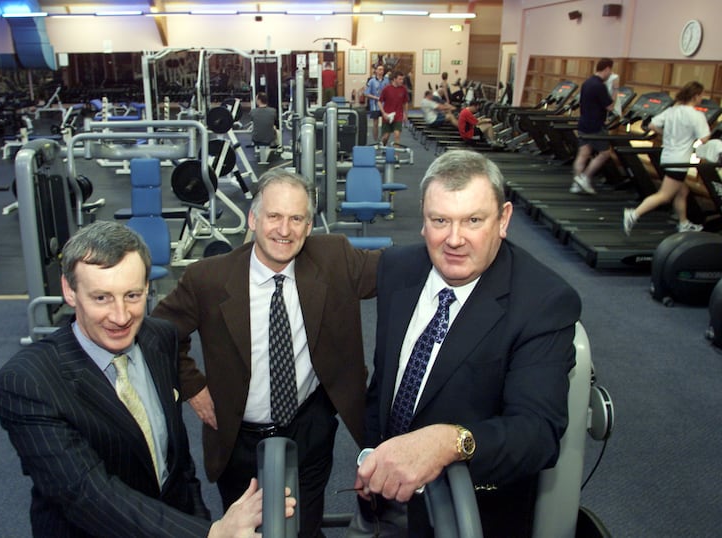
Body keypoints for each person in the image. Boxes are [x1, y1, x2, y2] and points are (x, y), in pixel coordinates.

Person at [0, 221, 295, 538]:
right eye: (102, 298)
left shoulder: (159, 338)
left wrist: (201, 523)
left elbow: (177, 466)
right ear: (69, 290)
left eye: (132, 295)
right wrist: (210, 535)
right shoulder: (27, 382)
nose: (121, 317)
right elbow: (87, 495)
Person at [347, 149, 581, 538]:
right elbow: (387, 382)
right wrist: (374, 457)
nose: (454, 239)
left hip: (466, 512)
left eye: (473, 220)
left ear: (503, 219)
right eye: (440, 220)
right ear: (423, 217)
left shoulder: (543, 302)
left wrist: (450, 441)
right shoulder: (397, 269)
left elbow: (537, 433)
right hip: (382, 494)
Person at [152, 169, 381, 538]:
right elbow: (157, 334)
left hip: (309, 426)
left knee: (302, 528)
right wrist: (192, 386)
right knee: (249, 531)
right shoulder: (208, 279)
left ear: (309, 227)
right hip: (238, 437)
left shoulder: (335, 257)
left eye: (296, 219)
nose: (284, 230)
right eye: (274, 216)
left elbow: (396, 270)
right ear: (254, 219)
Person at [624, 81, 711, 235]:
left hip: (667, 157)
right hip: (679, 161)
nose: (701, 98)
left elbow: (651, 125)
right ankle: (634, 214)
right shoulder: (696, 115)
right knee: (664, 195)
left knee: (682, 191)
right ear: (696, 96)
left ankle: (683, 223)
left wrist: (667, 135)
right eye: (701, 95)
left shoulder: (672, 111)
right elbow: (705, 138)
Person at [572, 58, 616, 195]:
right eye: (611, 70)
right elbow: (610, 106)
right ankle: (584, 177)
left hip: (584, 123)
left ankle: (576, 184)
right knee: (605, 153)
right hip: (596, 126)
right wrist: (616, 89)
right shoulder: (599, 85)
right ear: (607, 69)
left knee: (583, 154)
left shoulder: (587, 82)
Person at [378, 71, 409, 147]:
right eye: (400, 79)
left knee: (397, 135)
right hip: (387, 115)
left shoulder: (403, 89)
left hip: (398, 115)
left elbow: (405, 103)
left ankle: (396, 155)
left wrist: (405, 114)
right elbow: (379, 102)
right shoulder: (386, 89)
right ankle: (382, 147)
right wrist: (384, 113)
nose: (402, 81)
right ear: (394, 79)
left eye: (402, 79)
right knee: (386, 137)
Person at [364, 64, 389, 143]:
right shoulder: (371, 81)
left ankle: (383, 141)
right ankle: (376, 141)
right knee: (375, 123)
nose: (381, 71)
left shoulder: (387, 81)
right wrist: (377, 98)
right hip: (375, 105)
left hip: (385, 105)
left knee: (386, 123)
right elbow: (366, 93)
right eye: (379, 69)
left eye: (382, 69)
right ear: (376, 71)